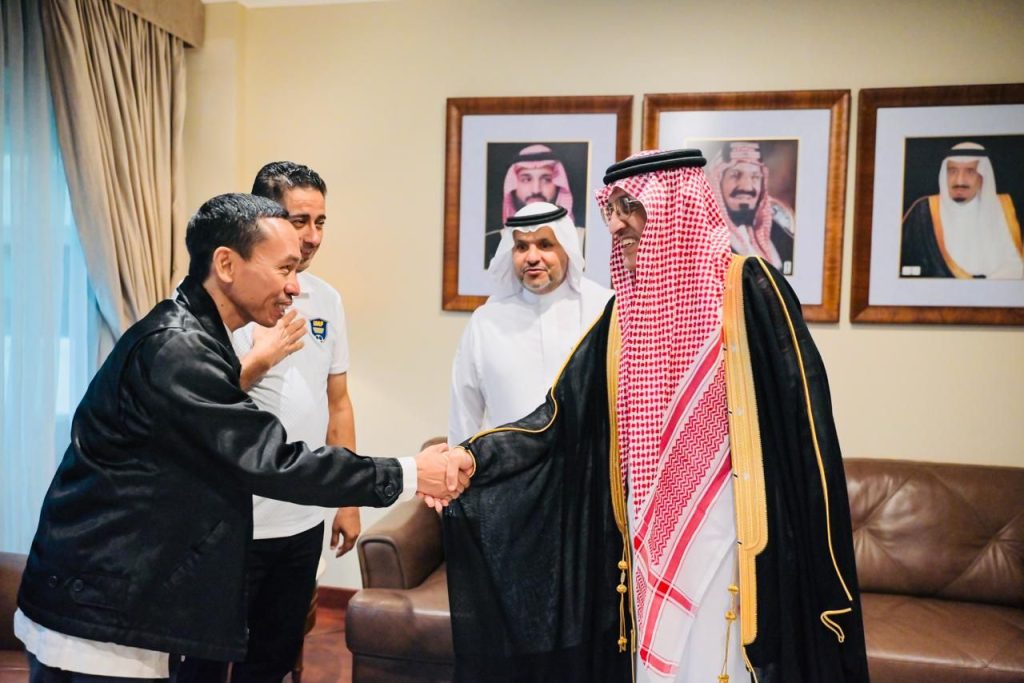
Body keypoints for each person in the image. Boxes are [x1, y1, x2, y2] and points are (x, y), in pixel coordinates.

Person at [442, 149, 868, 682]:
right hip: (645, 530)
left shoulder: (748, 290)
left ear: (674, 206)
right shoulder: (622, 316)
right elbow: (557, 418)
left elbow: (806, 427)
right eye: (612, 209)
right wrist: (476, 457)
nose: (616, 224)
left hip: (733, 532)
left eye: (630, 208)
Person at [14, 193, 472, 681]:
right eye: (284, 268)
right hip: (102, 612)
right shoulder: (177, 349)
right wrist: (411, 472)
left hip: (123, 599)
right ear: (227, 264)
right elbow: (272, 461)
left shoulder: (196, 337)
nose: (295, 286)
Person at [177, 163, 357, 681]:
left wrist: (346, 499)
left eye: (321, 222)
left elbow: (338, 402)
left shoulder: (327, 299)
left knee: (273, 661)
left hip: (302, 519)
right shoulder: (215, 303)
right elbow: (193, 407)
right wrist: (261, 359)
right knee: (204, 663)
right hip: (231, 522)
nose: (313, 236)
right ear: (265, 220)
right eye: (300, 221)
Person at [449, 202, 611, 446]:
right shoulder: (485, 322)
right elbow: (463, 413)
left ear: (566, 248)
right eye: (522, 247)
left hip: (585, 464)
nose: (532, 257)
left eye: (545, 245)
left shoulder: (603, 309)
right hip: (508, 465)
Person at [900, 141, 1023, 279]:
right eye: (952, 171)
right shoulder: (923, 211)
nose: (959, 181)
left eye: (970, 171)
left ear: (983, 175)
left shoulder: (1008, 209)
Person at [707, 141, 795, 272]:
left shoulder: (779, 234)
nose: (746, 187)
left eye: (755, 177)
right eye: (735, 175)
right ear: (718, 183)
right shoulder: (704, 242)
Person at [486, 145, 577, 266]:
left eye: (546, 179)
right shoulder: (492, 242)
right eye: (526, 179)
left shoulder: (581, 239)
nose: (536, 190)